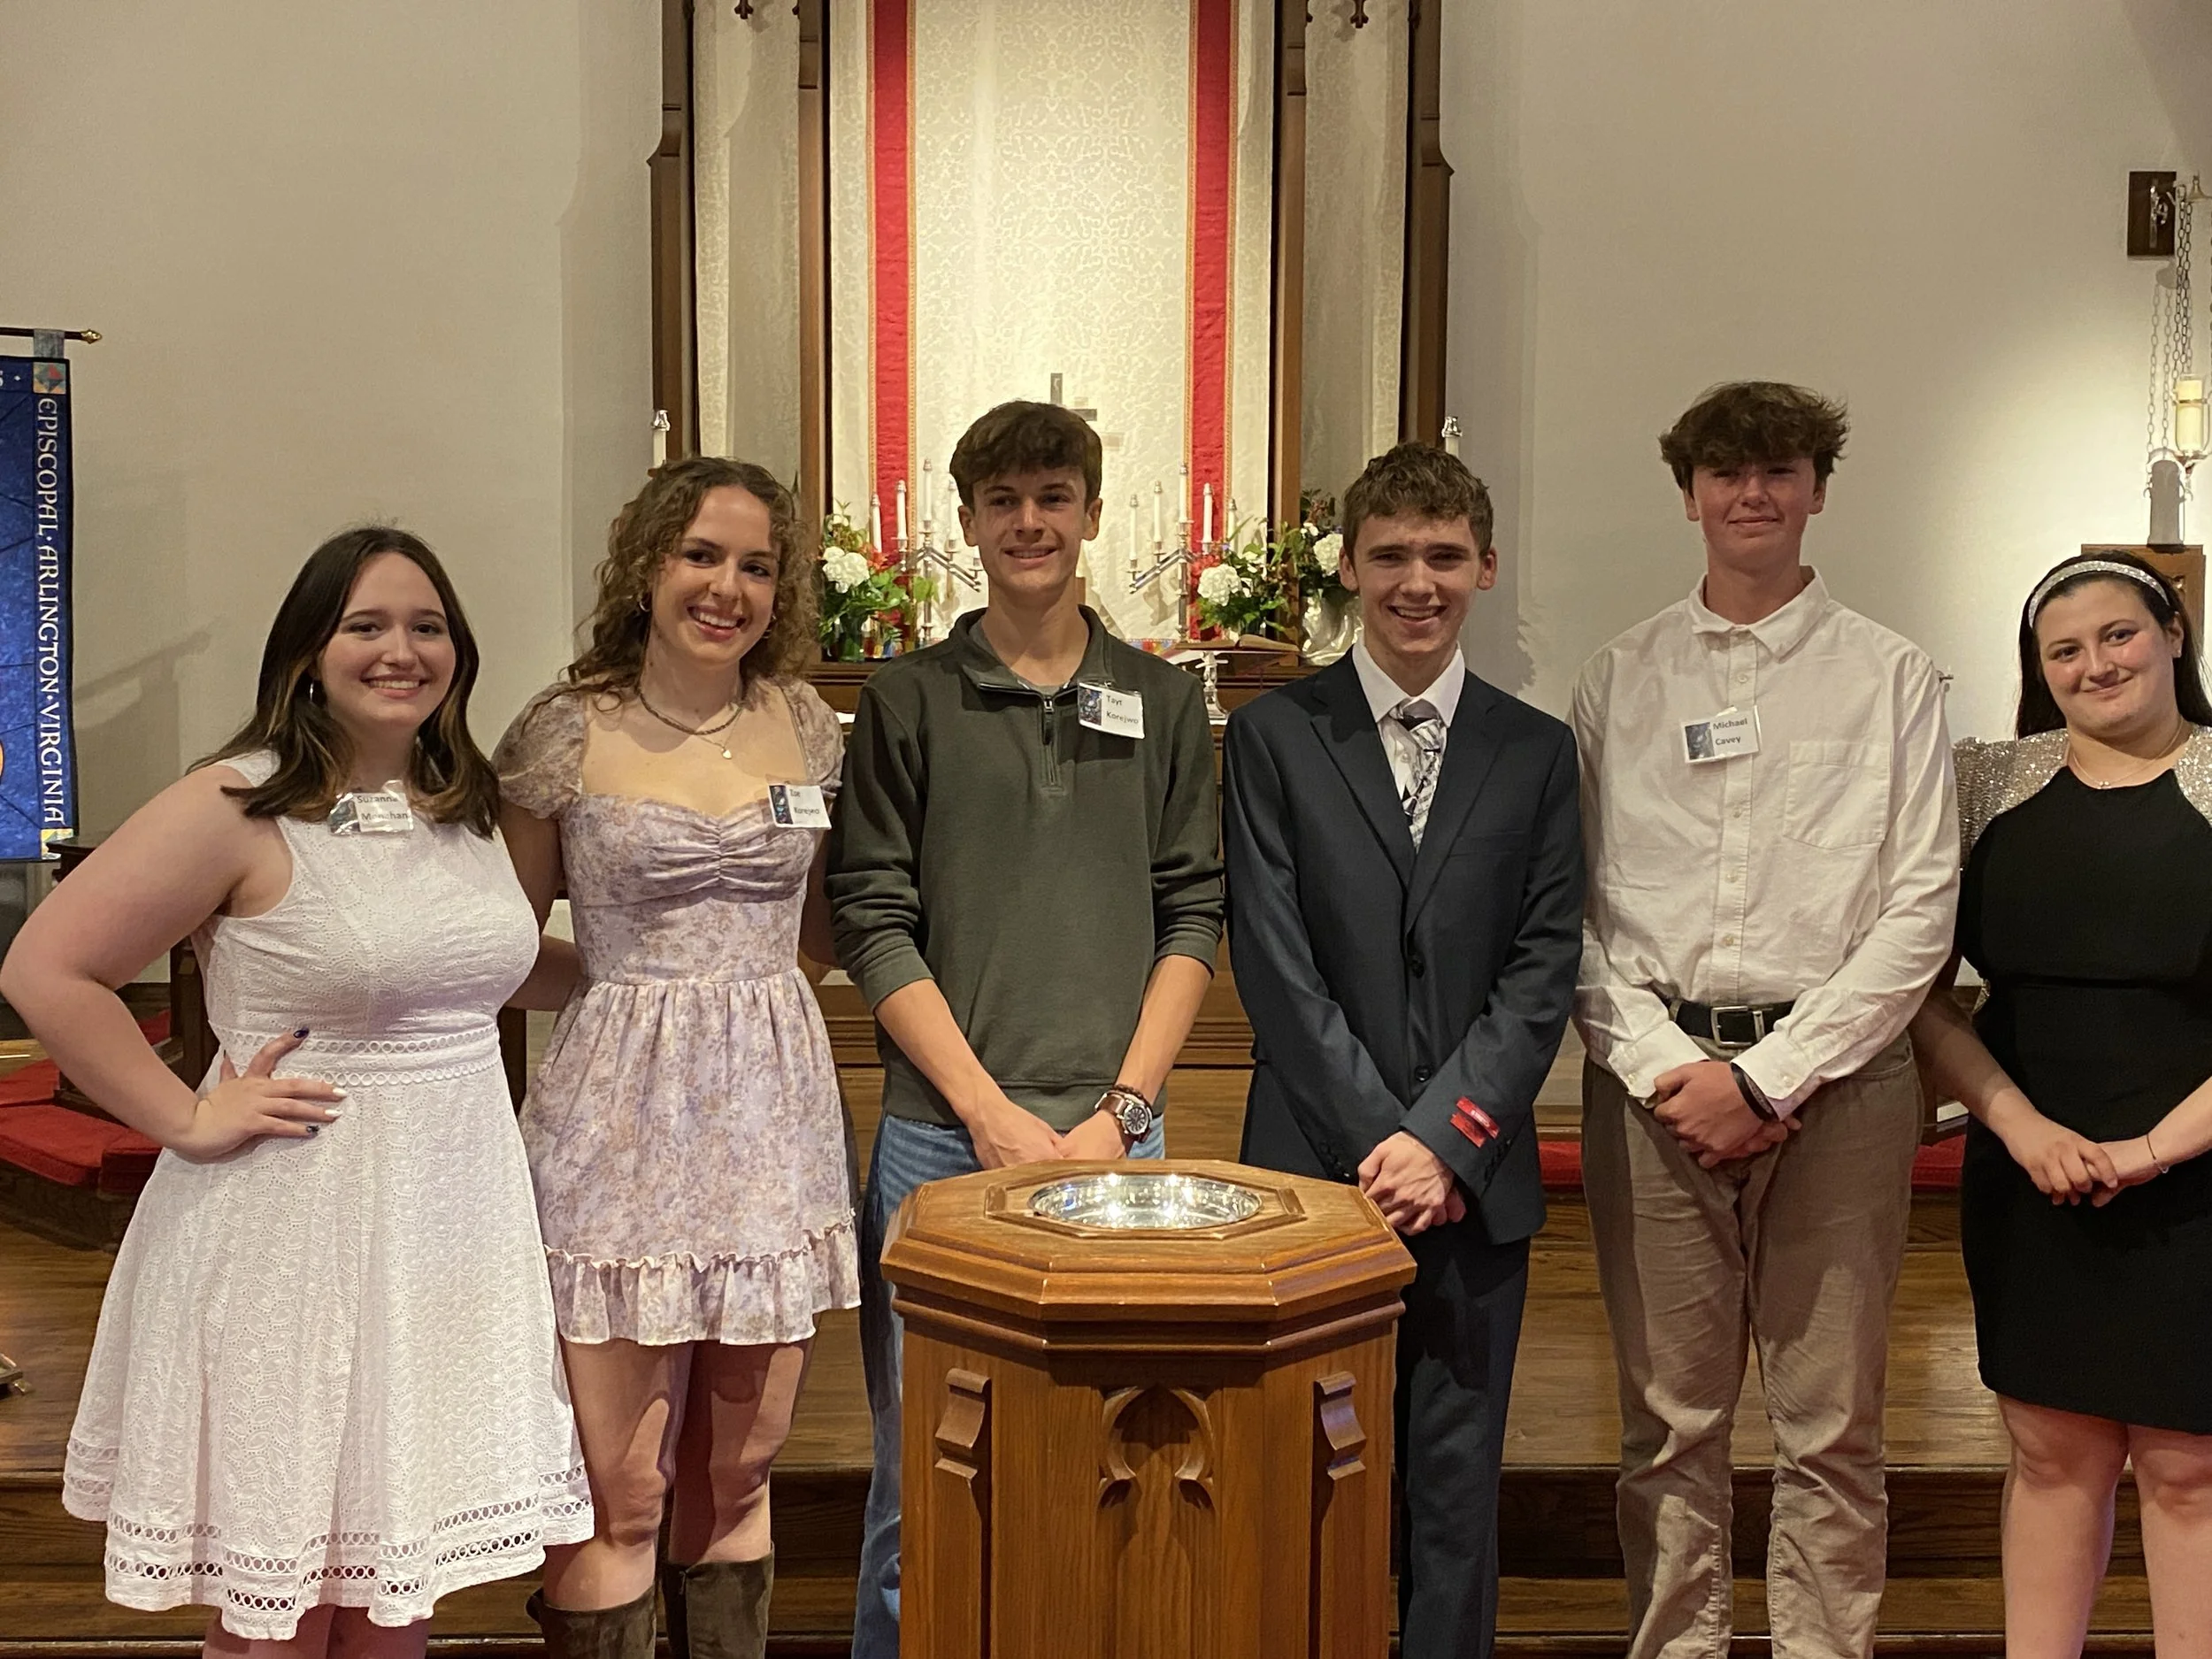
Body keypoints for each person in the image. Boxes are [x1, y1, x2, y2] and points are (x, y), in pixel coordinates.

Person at [0, 529, 591, 1657]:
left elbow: (482, 967)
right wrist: (180, 1114)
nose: (400, 650)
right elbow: (44, 968)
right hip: (297, 1229)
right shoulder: (237, 803)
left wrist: (671, 968)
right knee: (283, 1602)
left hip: (447, 1225)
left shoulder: (457, 803)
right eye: (365, 625)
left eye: (426, 627)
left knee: (390, 1581)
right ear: (307, 652)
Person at [827, 400, 1225, 1657]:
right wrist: (990, 1113)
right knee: (921, 1480)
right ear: (966, 526)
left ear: (1094, 514)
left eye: (1054, 496)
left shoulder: (1161, 699)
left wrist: (1125, 1110)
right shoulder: (907, 698)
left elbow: (1192, 910)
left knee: (1109, 1460)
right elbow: (874, 917)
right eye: (1004, 502)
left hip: (1122, 1150)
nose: (1031, 522)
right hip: (945, 1140)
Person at [1572, 381, 1958, 1659]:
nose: (1753, 494)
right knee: (1669, 1422)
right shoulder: (1620, 676)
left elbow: (1918, 910)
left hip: (1842, 1084)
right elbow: (1566, 911)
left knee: (1831, 1421)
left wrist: (1774, 1074)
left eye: (1778, 470)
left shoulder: (1892, 673)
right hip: (1655, 1084)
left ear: (1818, 488)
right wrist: (1667, 1062)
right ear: (1689, 492)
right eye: (1726, 473)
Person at [494, 457, 858, 1659]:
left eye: (757, 565)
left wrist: (744, 1010)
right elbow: (496, 940)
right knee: (624, 1483)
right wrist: (621, 995)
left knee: (740, 1472)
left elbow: (819, 931)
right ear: (649, 563)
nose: (728, 587)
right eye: (702, 554)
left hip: (769, 1123)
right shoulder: (564, 728)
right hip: (618, 1123)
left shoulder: (803, 722)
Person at [1222, 444, 1582, 1659]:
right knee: (1305, 1479)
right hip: (1316, 1177)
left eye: (1442, 554)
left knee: (1452, 1490)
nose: (1415, 580)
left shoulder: (1533, 749)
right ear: (1348, 567)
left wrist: (1445, 1141)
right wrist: (1378, 1136)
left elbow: (1542, 964)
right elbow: (1272, 958)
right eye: (1390, 555)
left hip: (1472, 1186)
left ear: (1483, 565)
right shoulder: (1276, 735)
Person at [1910, 551, 2212, 1659]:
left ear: (2173, 634)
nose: (2097, 664)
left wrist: (2146, 1150)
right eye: (2065, 650)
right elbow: (1921, 993)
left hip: (2194, 1176)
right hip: (2028, 1169)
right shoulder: (1986, 780)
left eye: (2119, 635)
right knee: (2047, 1453)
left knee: (2188, 1465)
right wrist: (2019, 1127)